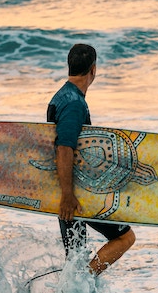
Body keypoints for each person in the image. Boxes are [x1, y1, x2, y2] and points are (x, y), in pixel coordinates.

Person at [47, 43, 135, 276]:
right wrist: (67, 195)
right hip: (75, 195)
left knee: (76, 257)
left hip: (68, 191)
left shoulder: (63, 96)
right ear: (93, 70)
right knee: (125, 237)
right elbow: (64, 147)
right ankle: (82, 282)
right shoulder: (74, 103)